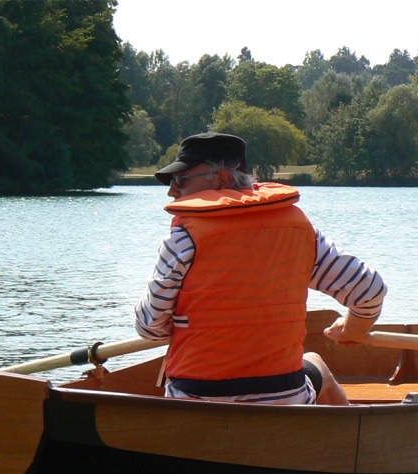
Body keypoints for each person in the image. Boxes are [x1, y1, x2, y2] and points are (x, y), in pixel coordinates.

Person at [134, 132, 386, 405]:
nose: (173, 191)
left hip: (196, 398)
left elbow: (149, 327)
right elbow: (369, 291)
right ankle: (346, 443)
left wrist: (182, 325)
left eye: (181, 180)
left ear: (223, 179)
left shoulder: (183, 240)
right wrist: (354, 331)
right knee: (315, 363)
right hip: (283, 396)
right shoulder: (300, 231)